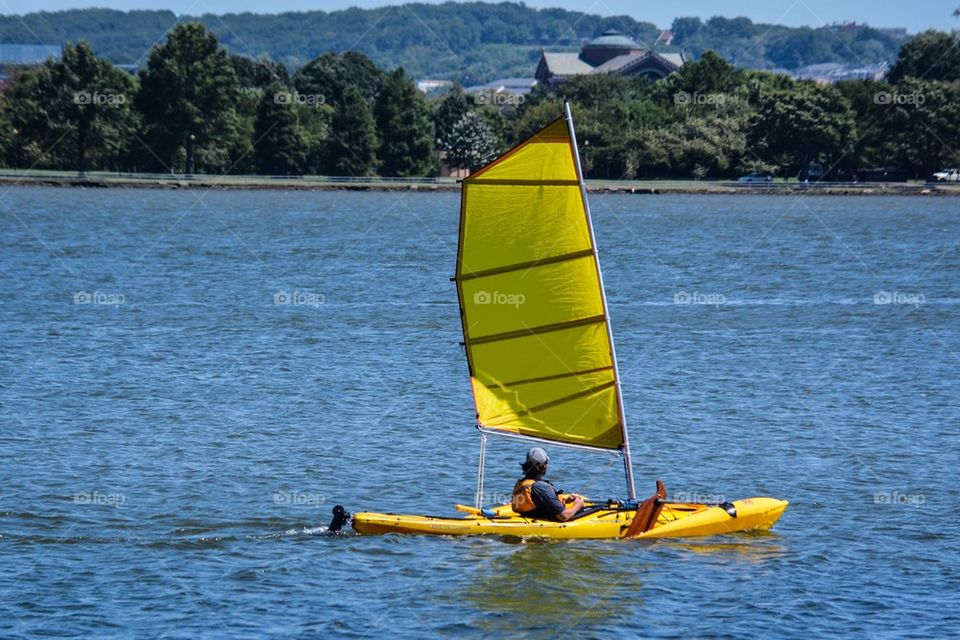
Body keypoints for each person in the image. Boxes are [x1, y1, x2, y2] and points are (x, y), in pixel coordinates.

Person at [511, 447, 584, 521]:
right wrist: (577, 506)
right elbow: (563, 516)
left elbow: (539, 503)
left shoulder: (521, 483)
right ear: (543, 466)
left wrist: (565, 501)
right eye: (546, 463)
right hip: (545, 521)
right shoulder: (542, 487)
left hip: (529, 516)